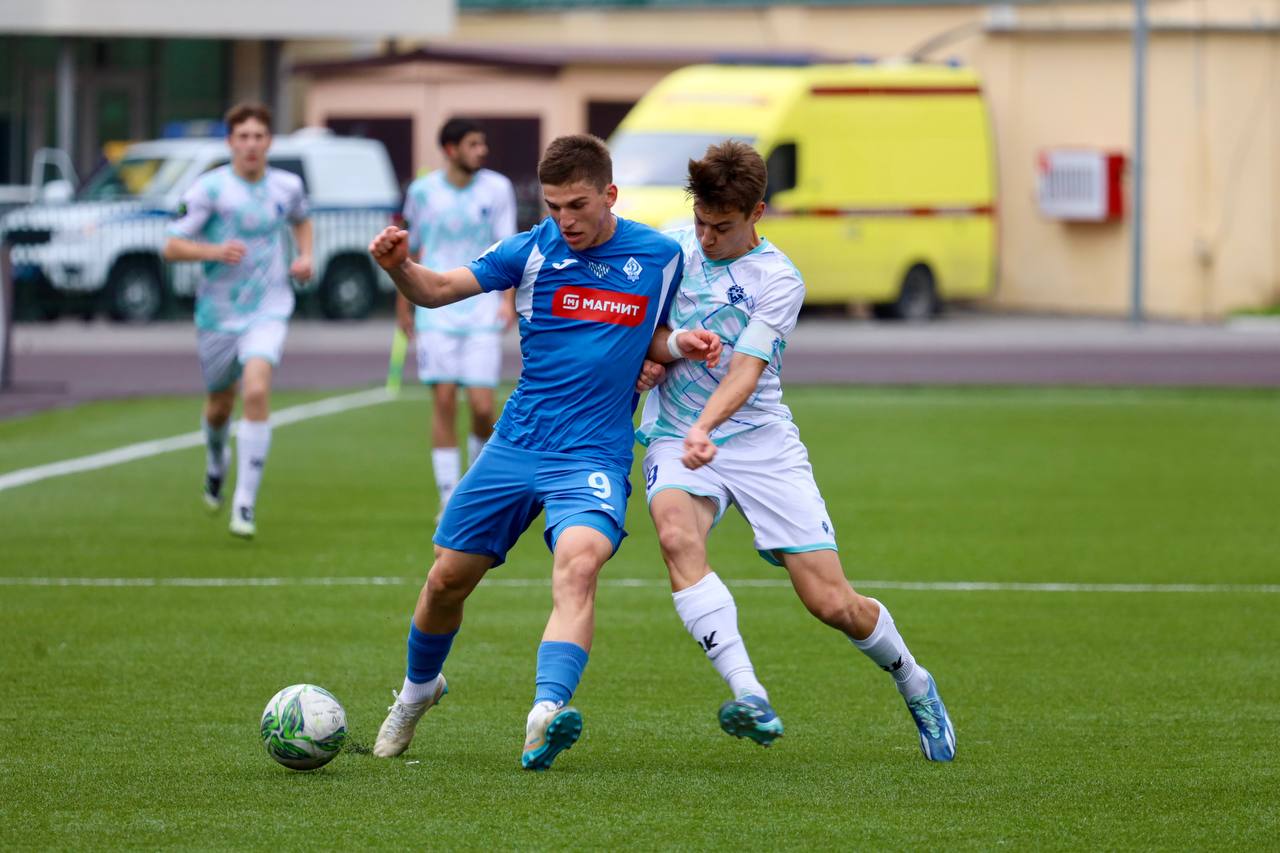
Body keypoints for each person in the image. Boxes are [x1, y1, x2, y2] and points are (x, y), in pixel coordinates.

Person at [367, 134, 721, 771]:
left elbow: (659, 334)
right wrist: (398, 266)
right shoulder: (529, 250)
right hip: (518, 443)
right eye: (554, 207)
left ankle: (545, 713)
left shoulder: (661, 256)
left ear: (610, 195)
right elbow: (438, 287)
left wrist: (670, 352)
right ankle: (418, 692)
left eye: (577, 206)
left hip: (592, 452)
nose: (565, 220)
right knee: (446, 580)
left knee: (578, 565)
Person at [636, 140, 956, 761]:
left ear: (756, 213)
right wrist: (656, 356)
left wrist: (707, 425)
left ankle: (914, 680)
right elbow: (638, 332)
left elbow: (746, 370)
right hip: (676, 433)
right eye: (701, 221)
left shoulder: (779, 279)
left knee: (831, 603)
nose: (706, 237)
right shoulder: (669, 249)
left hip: (759, 443)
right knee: (676, 535)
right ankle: (749, 693)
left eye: (722, 227)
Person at [163, 102, 312, 539]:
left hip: (269, 308)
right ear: (230, 142)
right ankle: (216, 461)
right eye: (243, 137)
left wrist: (305, 256)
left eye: (258, 136)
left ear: (269, 142)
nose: (251, 144)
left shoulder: (287, 186)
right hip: (218, 314)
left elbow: (302, 221)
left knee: (257, 389)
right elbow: (171, 246)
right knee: (219, 406)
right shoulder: (209, 189)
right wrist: (213, 251)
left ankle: (244, 503)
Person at [395, 119, 518, 511]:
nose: (482, 150)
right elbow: (410, 250)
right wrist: (404, 303)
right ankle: (450, 498)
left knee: (482, 407)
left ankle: (474, 484)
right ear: (450, 149)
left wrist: (507, 301)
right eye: (473, 144)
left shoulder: (497, 188)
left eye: (483, 143)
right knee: (445, 401)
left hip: (482, 306)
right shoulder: (422, 191)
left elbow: (507, 248)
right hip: (435, 309)